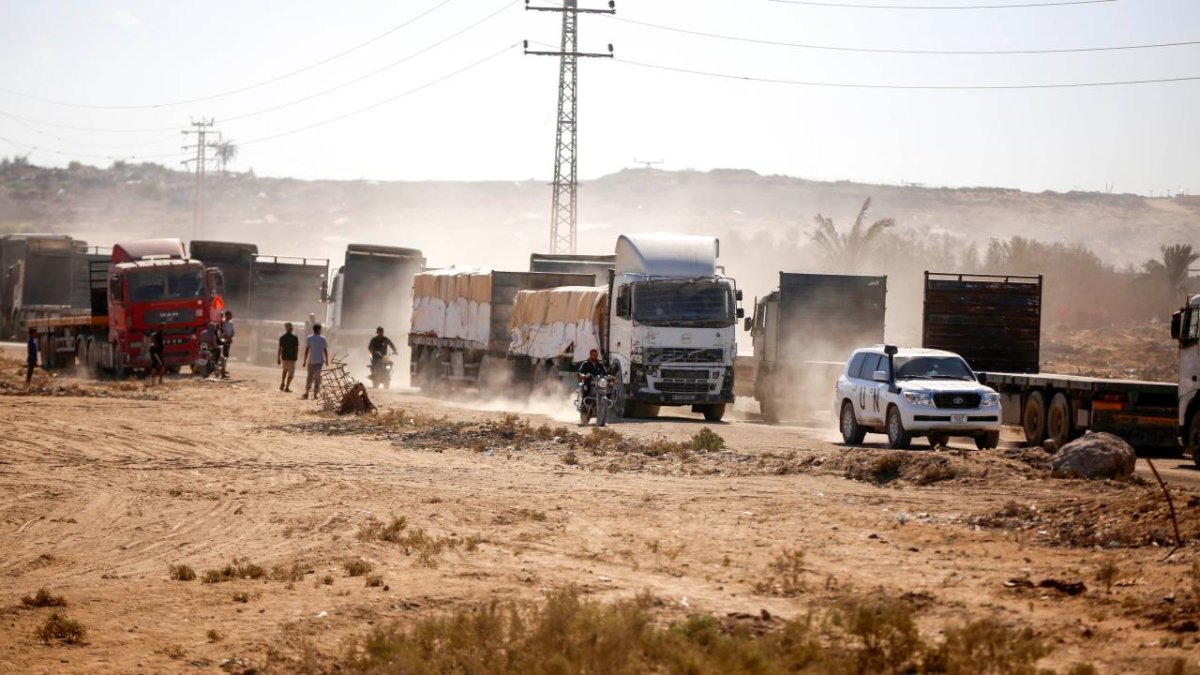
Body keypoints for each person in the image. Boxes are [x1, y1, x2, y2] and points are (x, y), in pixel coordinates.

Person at [302, 323, 329, 400]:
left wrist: (304, 361)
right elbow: (325, 350)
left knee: (309, 377)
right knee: (317, 377)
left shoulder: (309, 338)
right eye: (320, 329)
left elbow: (307, 350)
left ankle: (307, 393)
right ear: (318, 330)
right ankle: (315, 394)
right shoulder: (323, 339)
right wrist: (327, 360)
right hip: (319, 361)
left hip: (311, 361)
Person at [277, 322, 299, 392]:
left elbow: (280, 349)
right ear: (291, 328)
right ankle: (287, 387)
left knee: (285, 370)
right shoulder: (295, 338)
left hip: (284, 357)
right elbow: (296, 348)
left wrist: (278, 358)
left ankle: (282, 383)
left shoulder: (282, 337)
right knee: (291, 374)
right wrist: (296, 356)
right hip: (291, 358)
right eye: (291, 327)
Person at [219, 310, 235, 378]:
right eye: (230, 315)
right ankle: (222, 370)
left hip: (228, 340)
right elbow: (221, 331)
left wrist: (230, 337)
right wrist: (227, 337)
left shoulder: (230, 323)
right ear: (227, 315)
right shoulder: (223, 322)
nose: (231, 316)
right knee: (223, 355)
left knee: (226, 355)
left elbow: (232, 332)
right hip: (224, 340)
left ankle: (224, 369)